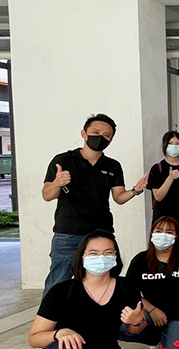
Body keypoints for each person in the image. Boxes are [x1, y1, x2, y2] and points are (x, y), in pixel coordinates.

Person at [41, 114, 148, 297]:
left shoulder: (112, 165)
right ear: (84, 133)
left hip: (101, 232)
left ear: (111, 140)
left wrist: (135, 190)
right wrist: (57, 183)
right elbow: (47, 195)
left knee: (101, 281)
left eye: (106, 135)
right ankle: (48, 323)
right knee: (59, 282)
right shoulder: (64, 160)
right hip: (68, 233)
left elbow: (119, 197)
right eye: (95, 132)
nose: (101, 137)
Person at [121, 217, 179, 349]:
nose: (163, 235)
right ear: (152, 234)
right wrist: (152, 310)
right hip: (152, 311)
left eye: (169, 232)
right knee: (122, 328)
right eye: (159, 231)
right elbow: (130, 292)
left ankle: (177, 333)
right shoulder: (140, 260)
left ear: (176, 236)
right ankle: (155, 338)